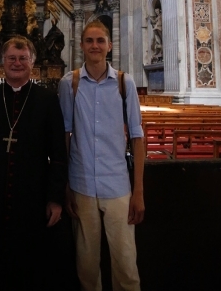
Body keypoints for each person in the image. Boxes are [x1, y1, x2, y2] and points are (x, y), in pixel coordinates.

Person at [0, 35, 69, 290]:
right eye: (12, 58)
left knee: (30, 267)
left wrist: (55, 198)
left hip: (33, 198)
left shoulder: (47, 100)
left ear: (32, 62)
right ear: (3, 62)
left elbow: (58, 153)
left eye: (23, 59)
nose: (17, 63)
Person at [58, 20, 145, 291]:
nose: (95, 46)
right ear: (82, 45)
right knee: (86, 265)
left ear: (109, 45)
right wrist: (66, 185)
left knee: (126, 264)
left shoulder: (124, 82)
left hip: (117, 184)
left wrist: (139, 190)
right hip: (81, 183)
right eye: (89, 41)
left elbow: (137, 136)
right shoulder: (68, 83)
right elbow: (65, 136)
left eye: (100, 41)